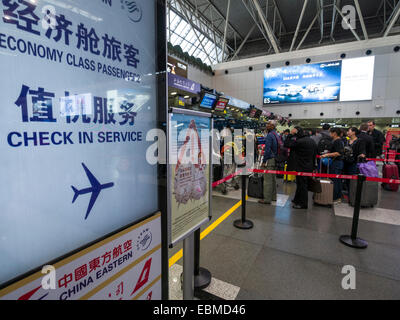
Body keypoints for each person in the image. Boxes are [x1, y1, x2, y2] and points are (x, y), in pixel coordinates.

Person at [284, 126, 317, 209]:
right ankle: (297, 199)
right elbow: (314, 154)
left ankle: (303, 204)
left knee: (302, 185)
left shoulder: (300, 141)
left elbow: (286, 144)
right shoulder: (312, 141)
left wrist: (290, 134)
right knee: (300, 184)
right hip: (309, 166)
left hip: (301, 166)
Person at [320, 127, 344, 203]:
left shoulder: (338, 141)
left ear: (334, 133)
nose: (330, 134)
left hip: (337, 163)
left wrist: (327, 155)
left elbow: (338, 153)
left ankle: (336, 198)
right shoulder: (335, 140)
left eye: (331, 132)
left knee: (335, 181)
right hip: (335, 163)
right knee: (335, 180)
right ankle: (336, 196)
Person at [259, 121, 278, 205]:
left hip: (269, 159)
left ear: (272, 126)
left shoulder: (270, 135)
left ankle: (267, 199)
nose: (267, 125)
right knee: (273, 179)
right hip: (275, 158)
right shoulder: (275, 134)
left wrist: (264, 161)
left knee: (267, 180)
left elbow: (267, 150)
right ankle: (273, 197)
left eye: (268, 124)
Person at [343, 127, 366, 192]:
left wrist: (362, 154)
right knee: (346, 178)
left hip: (353, 163)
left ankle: (352, 193)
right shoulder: (346, 140)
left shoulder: (359, 141)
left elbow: (362, 150)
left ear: (354, 132)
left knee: (352, 179)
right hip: (345, 162)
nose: (347, 132)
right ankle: (347, 191)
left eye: (349, 131)